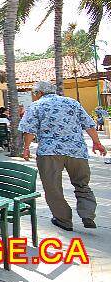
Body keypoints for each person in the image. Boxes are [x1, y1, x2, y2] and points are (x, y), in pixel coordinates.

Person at [20, 80, 107, 231]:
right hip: (77, 151)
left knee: (52, 188)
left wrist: (26, 148)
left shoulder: (36, 106)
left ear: (38, 93)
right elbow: (89, 124)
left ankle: (63, 220)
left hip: (50, 153)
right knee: (82, 184)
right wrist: (97, 142)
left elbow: (29, 130)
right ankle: (87, 214)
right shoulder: (72, 103)